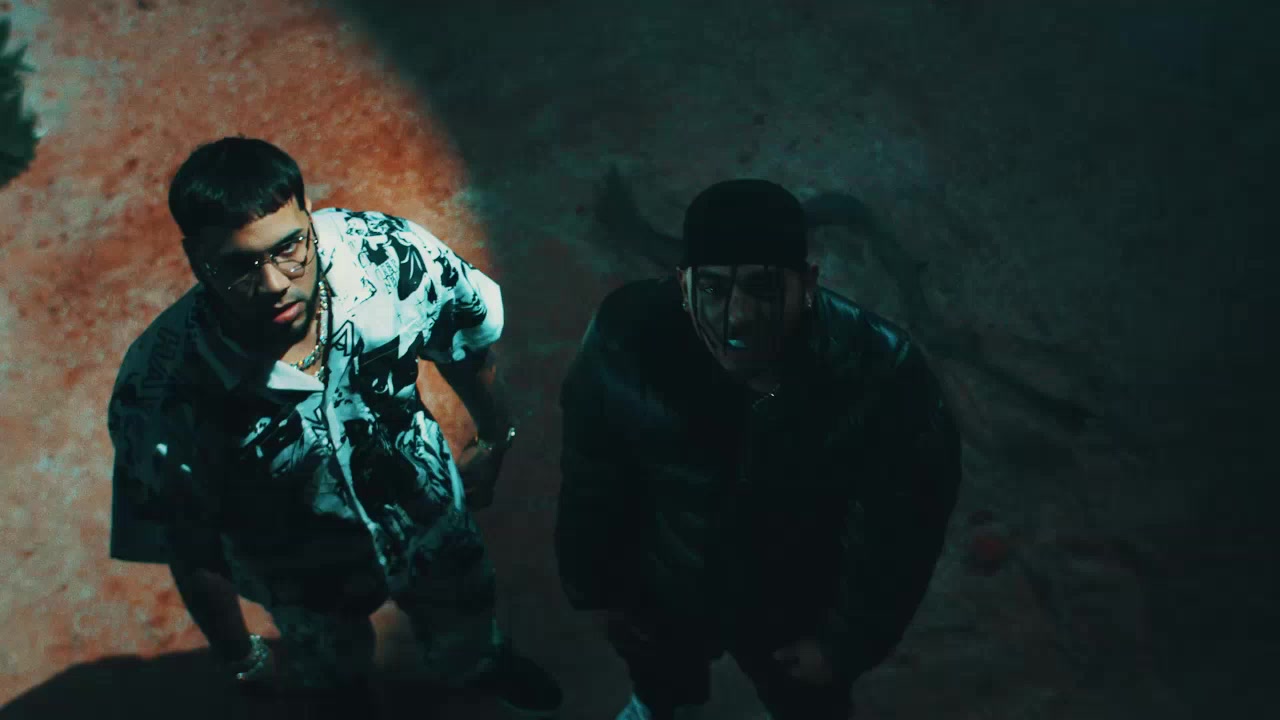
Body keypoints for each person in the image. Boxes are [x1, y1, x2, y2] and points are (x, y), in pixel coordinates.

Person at [106, 137, 561, 716]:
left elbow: (462, 338)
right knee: (334, 674)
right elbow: (188, 543)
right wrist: (239, 655)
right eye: (239, 264)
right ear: (196, 259)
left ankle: (478, 662)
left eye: (289, 247)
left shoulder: (386, 256)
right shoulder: (159, 388)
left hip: (426, 514)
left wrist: (495, 435)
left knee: (465, 612)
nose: (275, 283)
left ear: (308, 215)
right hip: (298, 575)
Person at [555, 179, 962, 719]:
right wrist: (596, 585)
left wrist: (842, 645)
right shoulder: (625, 336)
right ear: (683, 286)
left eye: (763, 288)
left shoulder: (882, 374)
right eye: (714, 289)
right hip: (665, 583)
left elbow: (900, 532)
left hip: (794, 607)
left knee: (807, 706)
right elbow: (592, 469)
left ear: (808, 285)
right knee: (659, 674)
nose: (737, 316)